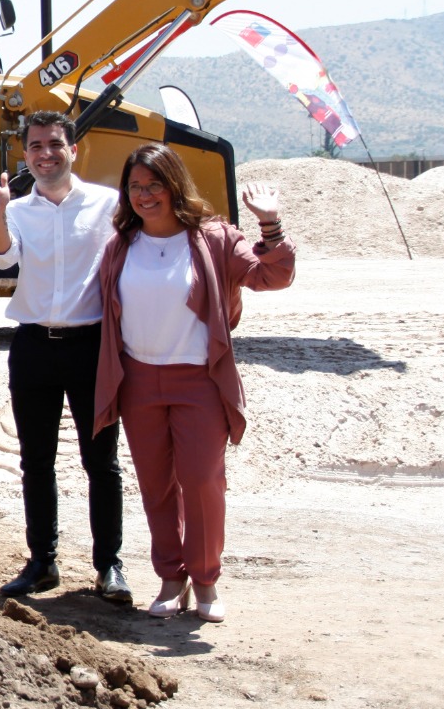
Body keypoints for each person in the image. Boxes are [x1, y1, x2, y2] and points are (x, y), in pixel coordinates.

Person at [94, 144, 294, 623]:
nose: (145, 196)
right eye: (136, 187)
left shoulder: (214, 239)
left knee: (203, 481)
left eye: (154, 185)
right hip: (139, 379)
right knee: (156, 485)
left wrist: (271, 225)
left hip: (198, 380)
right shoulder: (120, 246)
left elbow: (272, 276)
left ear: (174, 184)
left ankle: (205, 580)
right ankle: (170, 577)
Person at [0, 110, 131, 602]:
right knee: (36, 463)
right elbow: (0, 259)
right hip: (34, 345)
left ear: (73, 149)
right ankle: (42, 562)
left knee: (100, 461)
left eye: (55, 144)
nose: (45, 154)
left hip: (92, 346)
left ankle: (109, 567)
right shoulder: (16, 210)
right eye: (35, 146)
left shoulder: (108, 205)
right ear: (25, 153)